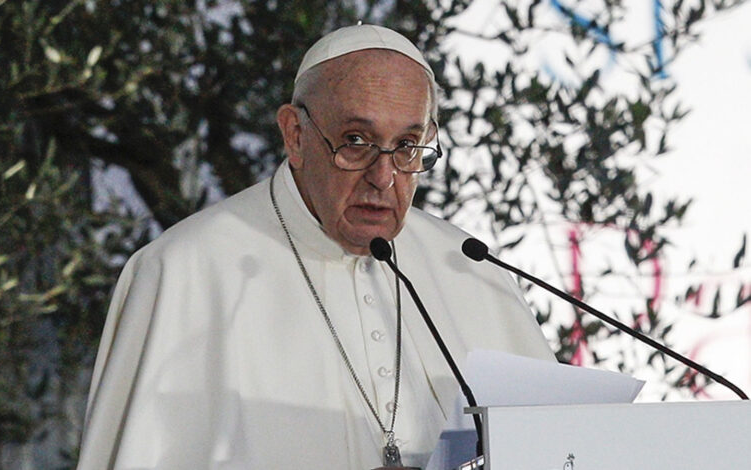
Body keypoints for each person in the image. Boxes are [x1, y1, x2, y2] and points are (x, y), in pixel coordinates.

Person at [77, 24, 554, 470]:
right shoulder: (181, 272)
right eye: (356, 141)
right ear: (295, 135)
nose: (383, 177)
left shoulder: (471, 268)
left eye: (407, 145)